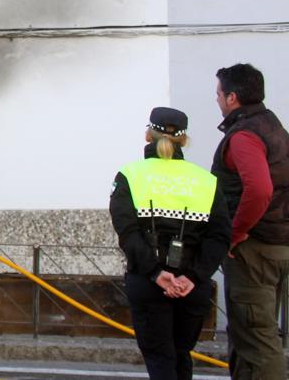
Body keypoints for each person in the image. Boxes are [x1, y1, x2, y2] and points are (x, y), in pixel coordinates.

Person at [110, 107, 231, 380]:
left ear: (147, 135)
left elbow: (127, 232)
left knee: (160, 357)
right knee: (181, 354)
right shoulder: (207, 181)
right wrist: (193, 276)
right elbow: (220, 235)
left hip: (148, 281)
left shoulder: (130, 175)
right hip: (192, 286)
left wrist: (155, 272)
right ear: (184, 141)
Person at [210, 63, 289, 380]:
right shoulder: (274, 127)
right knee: (253, 336)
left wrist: (235, 232)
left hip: (255, 250)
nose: (216, 100)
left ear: (232, 98)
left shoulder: (245, 135)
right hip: (279, 244)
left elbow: (259, 189)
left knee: (256, 340)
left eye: (218, 94)